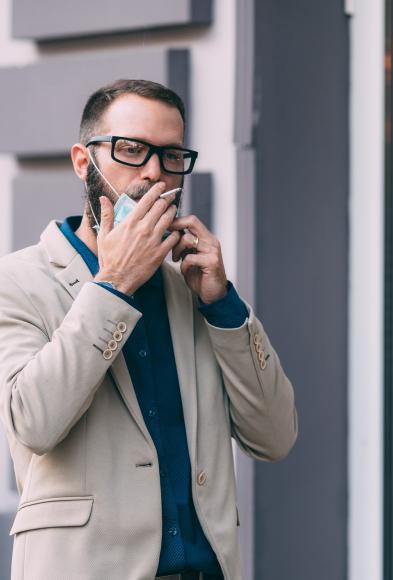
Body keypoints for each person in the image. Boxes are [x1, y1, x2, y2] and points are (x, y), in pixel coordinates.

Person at [0, 79, 297, 580]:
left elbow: (276, 437)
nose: (155, 172)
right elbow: (33, 422)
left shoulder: (195, 287)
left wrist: (223, 306)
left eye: (171, 155)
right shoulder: (19, 279)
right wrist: (114, 284)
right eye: (132, 150)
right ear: (83, 161)